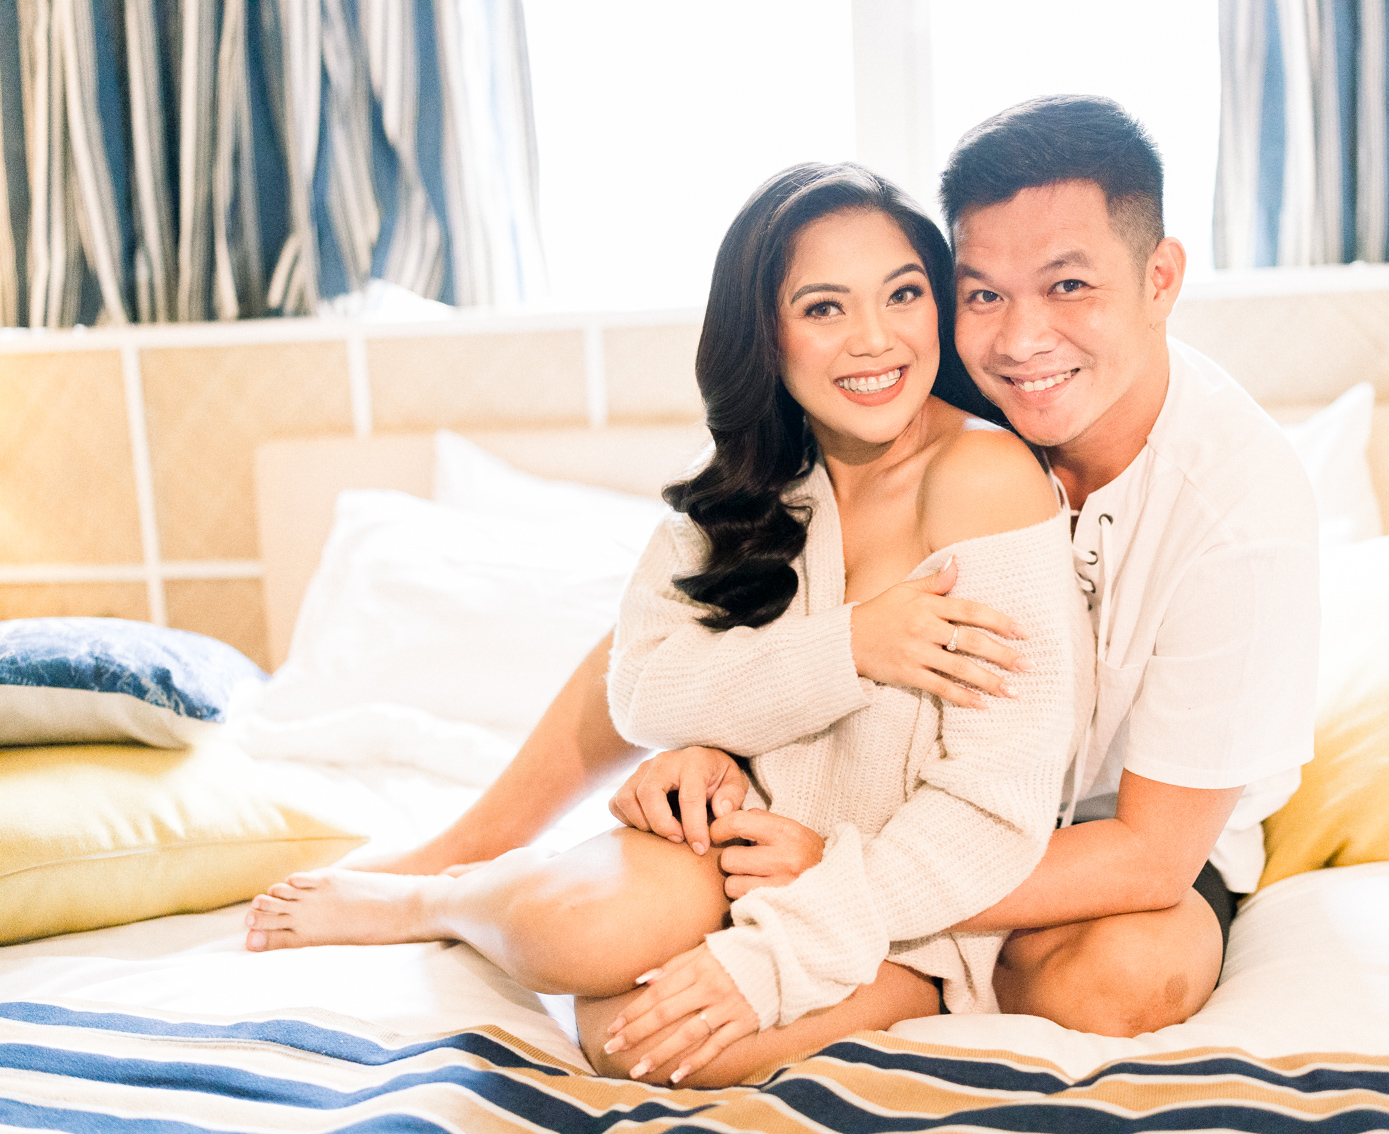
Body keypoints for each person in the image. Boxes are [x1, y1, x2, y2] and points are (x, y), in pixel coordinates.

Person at [353, 94, 1319, 1039]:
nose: (1022, 340)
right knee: (611, 964)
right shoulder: (894, 415)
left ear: (1160, 279)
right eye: (983, 292)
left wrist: (837, 876)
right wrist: (700, 741)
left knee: (1119, 980)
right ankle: (463, 868)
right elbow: (677, 644)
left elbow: (1150, 857)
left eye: (1069, 286)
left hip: (1112, 843)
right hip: (877, 812)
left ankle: (903, 967)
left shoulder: (1233, 509)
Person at [243, 162, 1094, 1088]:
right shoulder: (747, 482)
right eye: (823, 307)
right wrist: (848, 648)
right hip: (729, 847)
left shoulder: (985, 480)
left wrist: (773, 960)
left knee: (634, 1045)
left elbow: (993, 804)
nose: (875, 339)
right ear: (764, 331)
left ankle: (900, 987)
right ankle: (446, 898)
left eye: (904, 294)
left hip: (900, 908)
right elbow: (642, 689)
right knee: (582, 937)